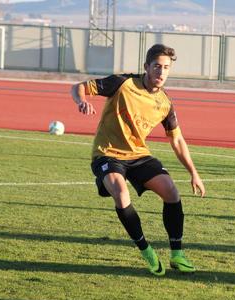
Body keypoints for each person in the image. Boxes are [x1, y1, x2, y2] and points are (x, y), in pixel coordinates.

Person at [70, 44, 205, 276]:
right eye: (157, 67)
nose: (161, 73)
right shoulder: (123, 84)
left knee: (171, 192)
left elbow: (178, 140)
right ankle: (146, 251)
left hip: (138, 155)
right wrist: (81, 101)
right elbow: (79, 87)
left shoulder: (165, 103)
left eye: (166, 68)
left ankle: (177, 254)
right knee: (122, 194)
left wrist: (194, 173)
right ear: (146, 67)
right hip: (108, 153)